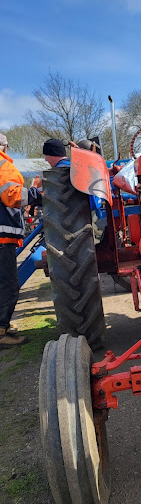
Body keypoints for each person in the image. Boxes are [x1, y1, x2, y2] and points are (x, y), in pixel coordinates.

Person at [0, 133, 42, 347]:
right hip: (2, 239)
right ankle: (1, 332)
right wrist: (37, 194)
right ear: (5, 147)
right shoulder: (3, 165)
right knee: (7, 285)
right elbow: (13, 196)